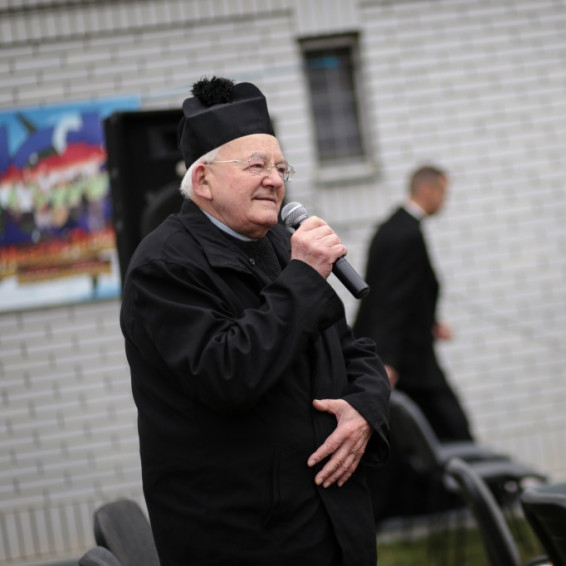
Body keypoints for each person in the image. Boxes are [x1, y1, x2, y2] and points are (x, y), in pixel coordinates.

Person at [119, 76, 391, 565]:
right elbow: (227, 373)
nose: (276, 180)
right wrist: (303, 276)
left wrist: (366, 410)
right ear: (203, 181)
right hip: (245, 537)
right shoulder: (163, 266)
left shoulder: (283, 246)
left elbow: (352, 351)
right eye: (256, 166)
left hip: (332, 526)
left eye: (281, 167)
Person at [354, 164, 472, 442]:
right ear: (428, 191)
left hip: (406, 349)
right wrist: (388, 359)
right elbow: (391, 299)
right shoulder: (406, 234)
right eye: (443, 193)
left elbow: (406, 292)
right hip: (407, 359)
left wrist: (430, 322)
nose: (445, 201)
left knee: (421, 433)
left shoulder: (394, 227)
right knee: (451, 426)